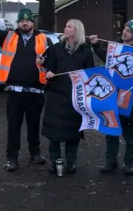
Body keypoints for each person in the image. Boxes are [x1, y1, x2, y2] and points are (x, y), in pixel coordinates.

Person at [0, 1, 52, 171]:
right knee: (13, 126)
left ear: (33, 23)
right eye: (21, 21)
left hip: (36, 91)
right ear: (18, 23)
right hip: (15, 92)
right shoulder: (8, 37)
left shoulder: (45, 39)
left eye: (28, 21)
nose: (25, 23)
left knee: (34, 125)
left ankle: (35, 153)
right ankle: (11, 158)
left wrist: (49, 68)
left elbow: (53, 62)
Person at [88, 17, 133, 176]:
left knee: (130, 132)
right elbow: (106, 59)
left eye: (129, 30)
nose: (125, 31)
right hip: (111, 96)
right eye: (125, 28)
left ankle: (130, 162)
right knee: (111, 129)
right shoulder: (114, 46)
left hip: (129, 98)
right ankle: (110, 161)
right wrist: (96, 46)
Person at [41, 19, 95, 174]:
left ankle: (71, 162)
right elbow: (48, 67)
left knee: (73, 133)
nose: (65, 28)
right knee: (54, 132)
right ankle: (54, 161)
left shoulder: (85, 51)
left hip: (75, 98)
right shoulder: (56, 48)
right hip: (57, 96)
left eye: (69, 26)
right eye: (65, 26)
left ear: (76, 30)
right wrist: (48, 72)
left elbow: (90, 73)